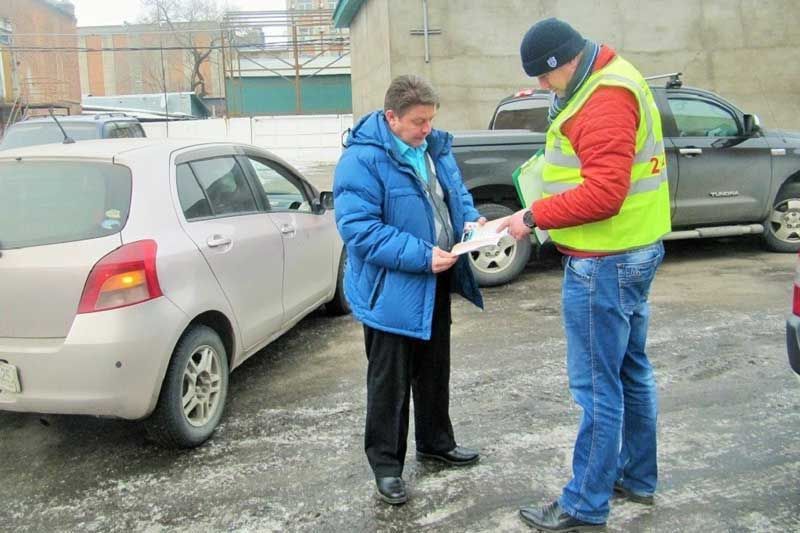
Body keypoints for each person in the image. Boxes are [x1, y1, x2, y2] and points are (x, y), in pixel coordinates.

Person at [498, 18, 671, 531]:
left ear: (562, 62)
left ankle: (584, 503)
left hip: (605, 262)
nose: (543, 86)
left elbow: (604, 193)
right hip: (631, 251)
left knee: (597, 386)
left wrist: (531, 217)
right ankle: (637, 477)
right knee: (629, 371)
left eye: (544, 77)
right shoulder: (609, 76)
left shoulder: (603, 99)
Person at [333, 74, 485, 505]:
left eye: (431, 120)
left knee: (435, 369)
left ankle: (436, 442)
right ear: (391, 117)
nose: (427, 129)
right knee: (390, 383)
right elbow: (359, 230)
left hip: (435, 278)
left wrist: (471, 223)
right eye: (419, 122)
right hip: (390, 290)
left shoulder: (433, 149)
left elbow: (455, 196)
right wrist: (421, 254)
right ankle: (386, 466)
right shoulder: (361, 161)